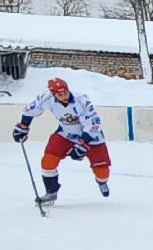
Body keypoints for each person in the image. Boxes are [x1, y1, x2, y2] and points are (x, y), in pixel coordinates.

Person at [11, 76, 111, 205]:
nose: (64, 96)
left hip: (91, 136)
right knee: (48, 161)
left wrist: (83, 144)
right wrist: (23, 126)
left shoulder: (82, 100)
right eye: (60, 94)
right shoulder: (45, 98)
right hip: (66, 133)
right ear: (53, 95)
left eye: (66, 93)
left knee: (102, 171)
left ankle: (102, 181)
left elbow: (93, 123)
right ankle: (51, 192)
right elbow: (30, 110)